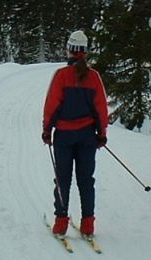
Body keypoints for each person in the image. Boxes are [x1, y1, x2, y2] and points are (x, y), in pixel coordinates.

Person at [41, 30, 109, 237]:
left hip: (64, 136)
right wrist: (101, 133)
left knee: (63, 179)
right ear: (85, 52)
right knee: (86, 180)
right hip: (87, 136)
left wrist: (47, 129)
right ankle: (88, 224)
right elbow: (101, 109)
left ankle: (61, 223)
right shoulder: (94, 77)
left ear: (69, 50)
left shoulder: (61, 75)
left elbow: (52, 105)